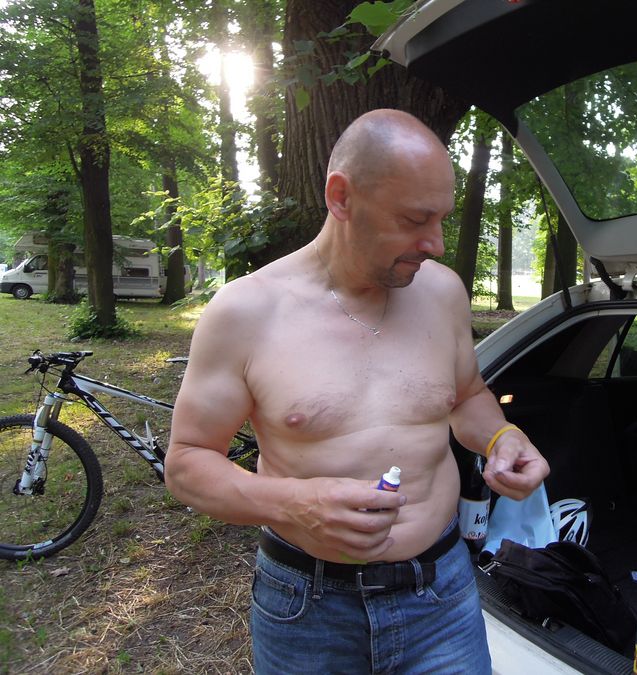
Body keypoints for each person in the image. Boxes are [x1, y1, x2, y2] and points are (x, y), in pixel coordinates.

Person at [165, 108, 550, 674]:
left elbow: (467, 396)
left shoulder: (442, 293)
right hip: (308, 610)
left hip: (442, 595)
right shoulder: (246, 312)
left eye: (442, 219)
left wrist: (500, 437)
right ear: (341, 197)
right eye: (415, 219)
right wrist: (296, 504)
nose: (437, 244)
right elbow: (187, 463)